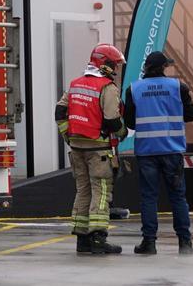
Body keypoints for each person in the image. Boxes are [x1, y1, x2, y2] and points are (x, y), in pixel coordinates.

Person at [55, 43, 128, 255]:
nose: (115, 69)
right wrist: (123, 133)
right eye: (113, 65)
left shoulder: (75, 84)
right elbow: (112, 120)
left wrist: (68, 136)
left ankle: (82, 240)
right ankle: (98, 237)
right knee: (101, 191)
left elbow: (60, 112)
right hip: (98, 150)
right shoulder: (107, 87)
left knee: (83, 190)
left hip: (77, 148)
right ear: (104, 64)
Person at [124, 50, 193, 256]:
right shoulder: (178, 87)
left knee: (149, 197)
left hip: (147, 152)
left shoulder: (134, 89)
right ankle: (185, 243)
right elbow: (191, 115)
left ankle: (149, 243)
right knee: (178, 197)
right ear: (164, 67)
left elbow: (129, 122)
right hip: (172, 151)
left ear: (146, 68)